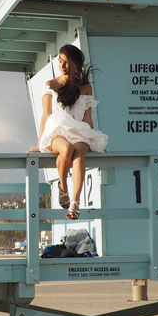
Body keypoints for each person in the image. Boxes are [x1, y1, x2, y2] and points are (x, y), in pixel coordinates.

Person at [30, 44, 107, 219]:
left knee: (79, 152)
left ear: (76, 65)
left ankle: (74, 204)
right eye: (60, 61)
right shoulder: (51, 84)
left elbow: (88, 118)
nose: (62, 66)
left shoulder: (86, 87)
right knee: (66, 150)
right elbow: (46, 115)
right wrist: (39, 143)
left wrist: (93, 140)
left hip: (79, 131)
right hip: (56, 131)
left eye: (67, 62)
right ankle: (63, 187)